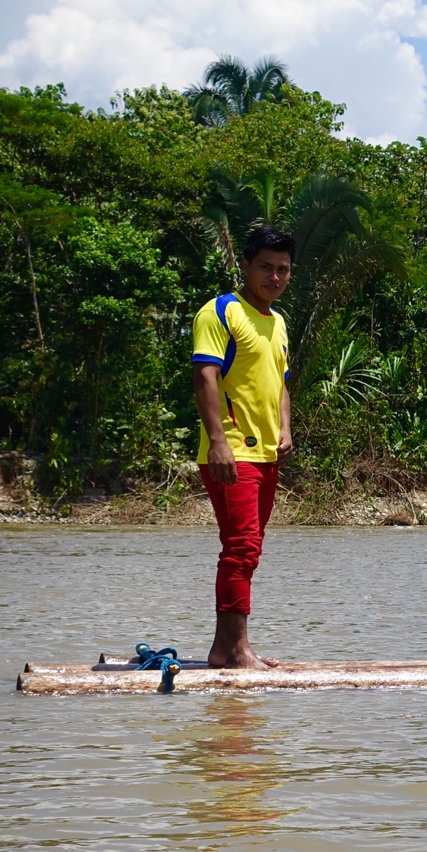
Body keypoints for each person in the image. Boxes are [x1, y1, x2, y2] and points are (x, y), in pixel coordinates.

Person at [191, 224, 295, 669]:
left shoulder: (278, 322)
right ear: (245, 267)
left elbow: (282, 383)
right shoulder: (220, 312)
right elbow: (205, 376)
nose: (274, 277)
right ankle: (231, 650)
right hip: (232, 451)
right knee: (241, 546)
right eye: (266, 268)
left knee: (249, 548)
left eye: (283, 270)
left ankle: (232, 647)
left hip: (266, 454)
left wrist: (285, 429)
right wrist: (217, 442)